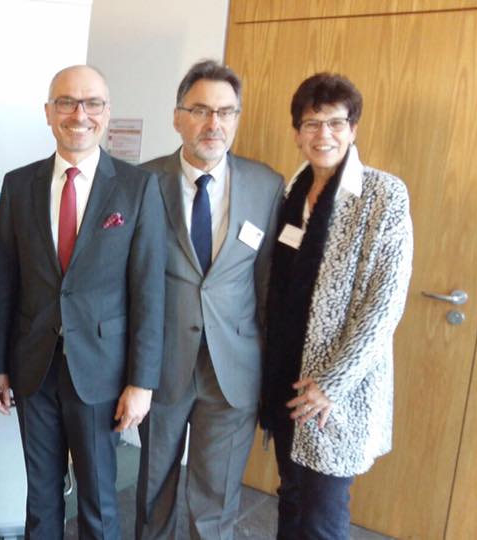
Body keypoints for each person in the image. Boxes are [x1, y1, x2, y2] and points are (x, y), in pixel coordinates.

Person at [0, 65, 166, 539]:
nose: (79, 114)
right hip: (34, 367)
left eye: (92, 103)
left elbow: (149, 293)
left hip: (102, 371)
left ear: (107, 113)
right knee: (40, 496)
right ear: (48, 112)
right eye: (66, 102)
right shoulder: (19, 185)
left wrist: (142, 382)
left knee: (98, 500)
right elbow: (4, 282)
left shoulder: (137, 187)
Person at [259, 72, 413, 539]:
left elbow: (384, 305)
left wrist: (331, 384)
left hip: (336, 391)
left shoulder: (382, 195)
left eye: (335, 123)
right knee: (291, 497)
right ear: (297, 133)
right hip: (287, 376)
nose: (323, 134)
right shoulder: (290, 192)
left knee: (322, 515)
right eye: (311, 123)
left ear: (353, 129)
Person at [135, 60, 284, 540]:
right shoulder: (140, 182)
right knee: (153, 492)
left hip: (233, 370)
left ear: (237, 118)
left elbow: (267, 283)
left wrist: (270, 369)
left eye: (225, 112)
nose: (213, 123)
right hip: (161, 365)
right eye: (200, 110)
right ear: (178, 117)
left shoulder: (266, 185)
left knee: (215, 501)